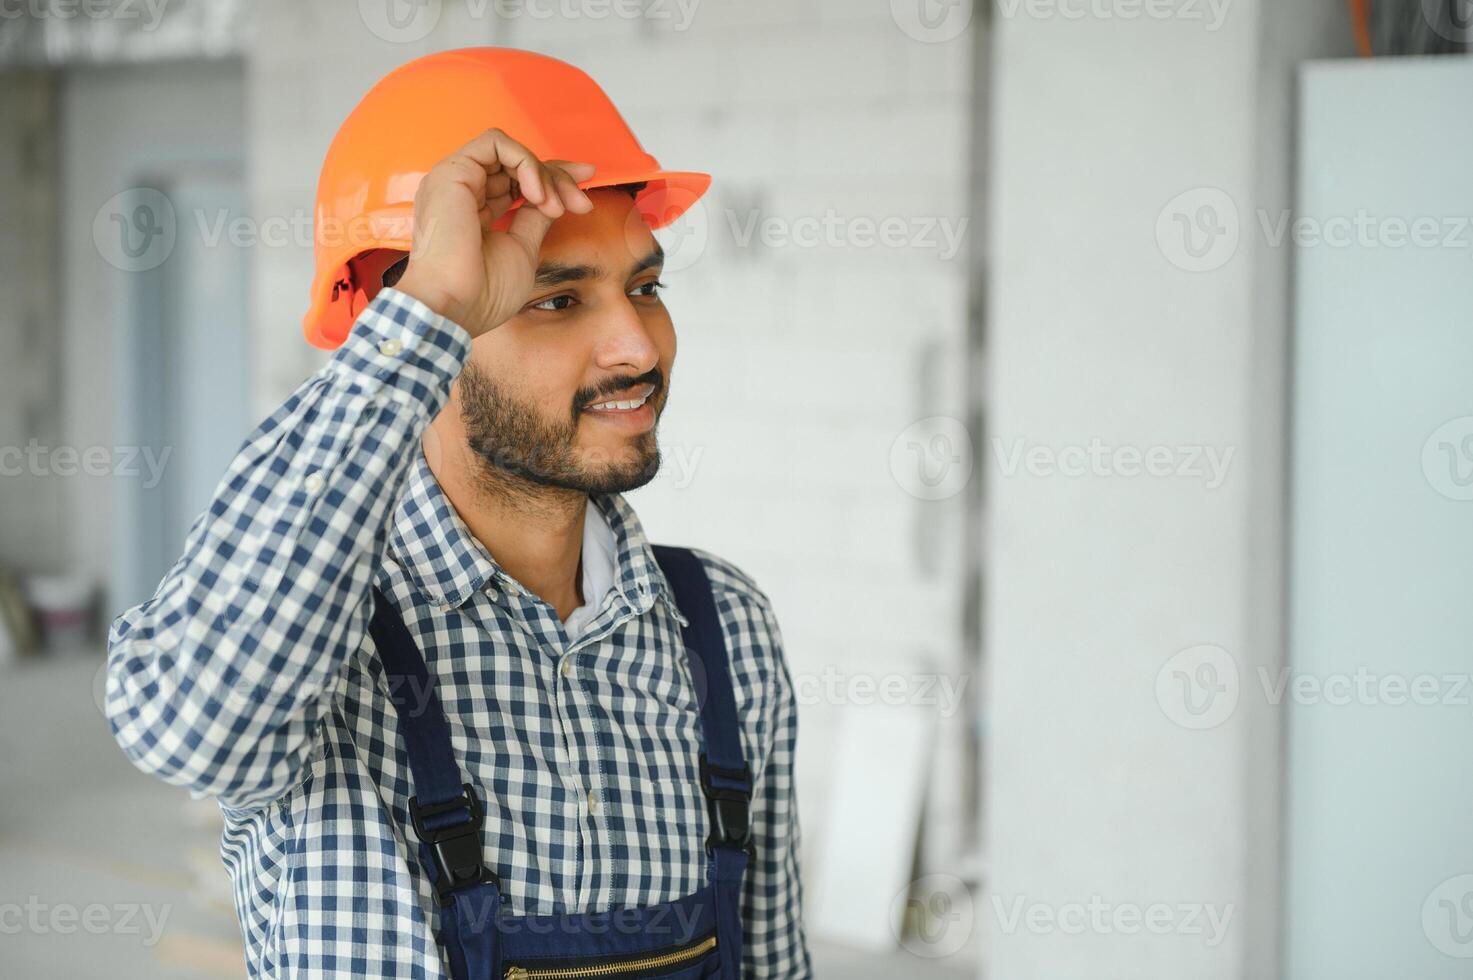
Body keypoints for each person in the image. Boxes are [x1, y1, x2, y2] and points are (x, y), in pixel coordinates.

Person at [104, 47, 811, 979]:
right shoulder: (322, 643)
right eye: (556, 299)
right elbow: (183, 724)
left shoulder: (724, 629)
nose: (636, 345)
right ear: (410, 326)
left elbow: (772, 961)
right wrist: (430, 303)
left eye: (645, 287)